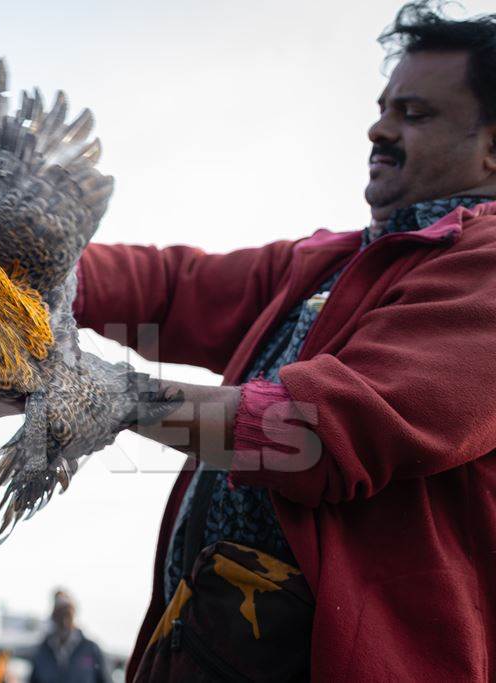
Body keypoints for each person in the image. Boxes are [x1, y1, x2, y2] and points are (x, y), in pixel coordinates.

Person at [72, 2, 496, 680]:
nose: (378, 128)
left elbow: (324, 429)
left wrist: (114, 399)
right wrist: (28, 271)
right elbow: (174, 287)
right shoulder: (332, 260)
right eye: (383, 107)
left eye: (414, 115)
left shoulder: (487, 265)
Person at [30, 591, 111, 683]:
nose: (64, 621)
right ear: (53, 616)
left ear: (74, 614)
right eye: (60, 614)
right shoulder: (43, 651)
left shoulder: (91, 650)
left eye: (67, 614)